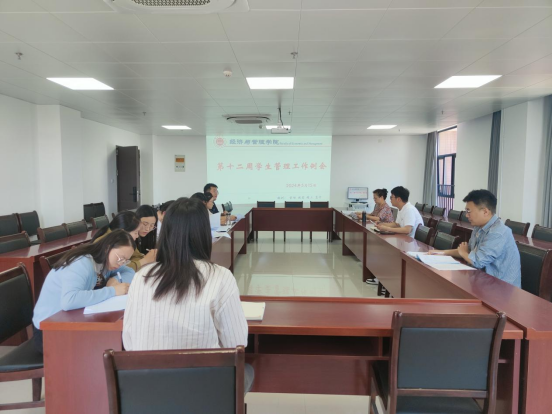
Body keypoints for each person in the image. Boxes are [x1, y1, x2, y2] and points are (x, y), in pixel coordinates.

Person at [123, 197, 254, 393]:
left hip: (147, 391)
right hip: (202, 391)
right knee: (248, 370)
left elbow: (129, 341)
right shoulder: (220, 276)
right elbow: (237, 344)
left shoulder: (142, 276)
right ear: (203, 233)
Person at [32, 230, 136, 353]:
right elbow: (70, 301)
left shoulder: (104, 262)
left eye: (125, 260)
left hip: (70, 320)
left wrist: (114, 279)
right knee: (104, 345)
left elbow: (129, 272)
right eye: (120, 258)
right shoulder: (81, 262)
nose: (120, 263)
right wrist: (112, 291)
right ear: (107, 248)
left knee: (113, 339)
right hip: (48, 330)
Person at [429, 189, 521, 287]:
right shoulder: (478, 227)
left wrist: (463, 252)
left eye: (469, 211)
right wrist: (441, 252)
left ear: (485, 212)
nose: (466, 215)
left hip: (502, 289)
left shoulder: (498, 233)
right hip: (483, 281)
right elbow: (469, 251)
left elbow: (477, 261)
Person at [367, 186, 423, 286]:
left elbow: (407, 230)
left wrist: (387, 228)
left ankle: (385, 279)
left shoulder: (409, 210)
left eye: (391, 197)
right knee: (382, 248)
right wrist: (382, 225)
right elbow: (397, 224)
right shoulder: (402, 209)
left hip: (412, 243)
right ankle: (383, 278)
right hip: (404, 240)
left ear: (398, 199)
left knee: (386, 251)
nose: (390, 199)